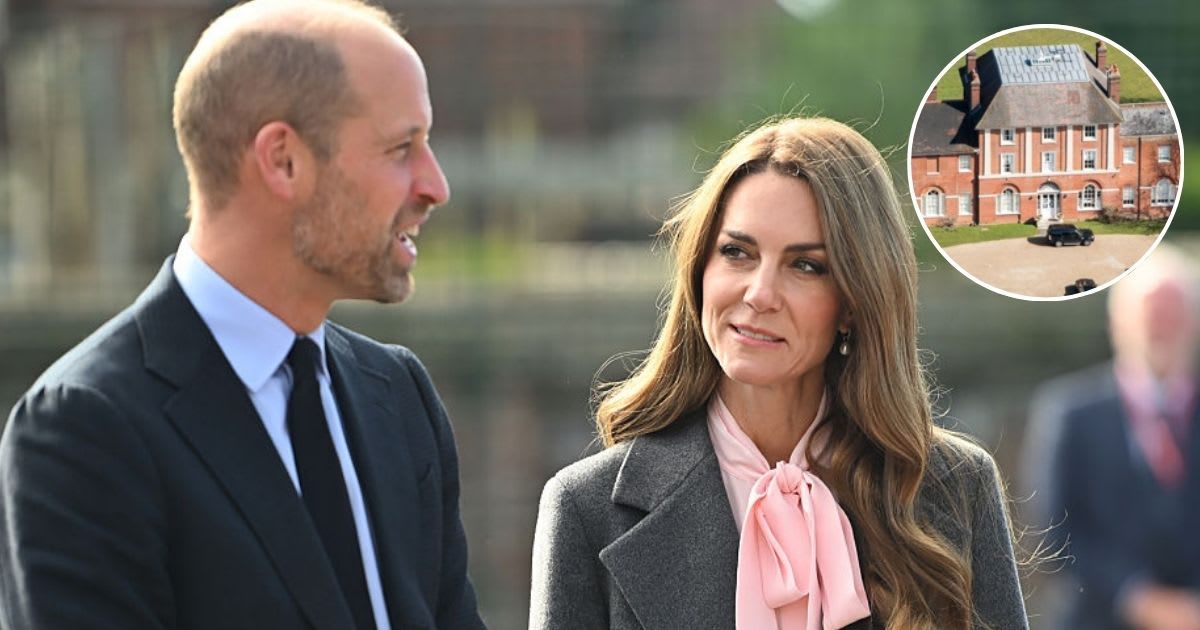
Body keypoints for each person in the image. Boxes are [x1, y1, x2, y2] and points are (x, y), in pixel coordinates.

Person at [0, 1, 485, 628]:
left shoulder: (397, 396)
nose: (435, 185)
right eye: (401, 148)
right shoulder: (84, 429)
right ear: (282, 159)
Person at [529, 116, 1027, 629]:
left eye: (806, 265)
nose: (759, 294)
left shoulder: (956, 487)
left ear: (856, 301)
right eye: (737, 253)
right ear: (700, 269)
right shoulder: (586, 508)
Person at [1023, 244, 1200, 630]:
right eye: (1150, 314)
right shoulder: (1070, 414)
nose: (1161, 327)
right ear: (1117, 323)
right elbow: (1052, 535)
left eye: (1172, 313)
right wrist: (1137, 597)